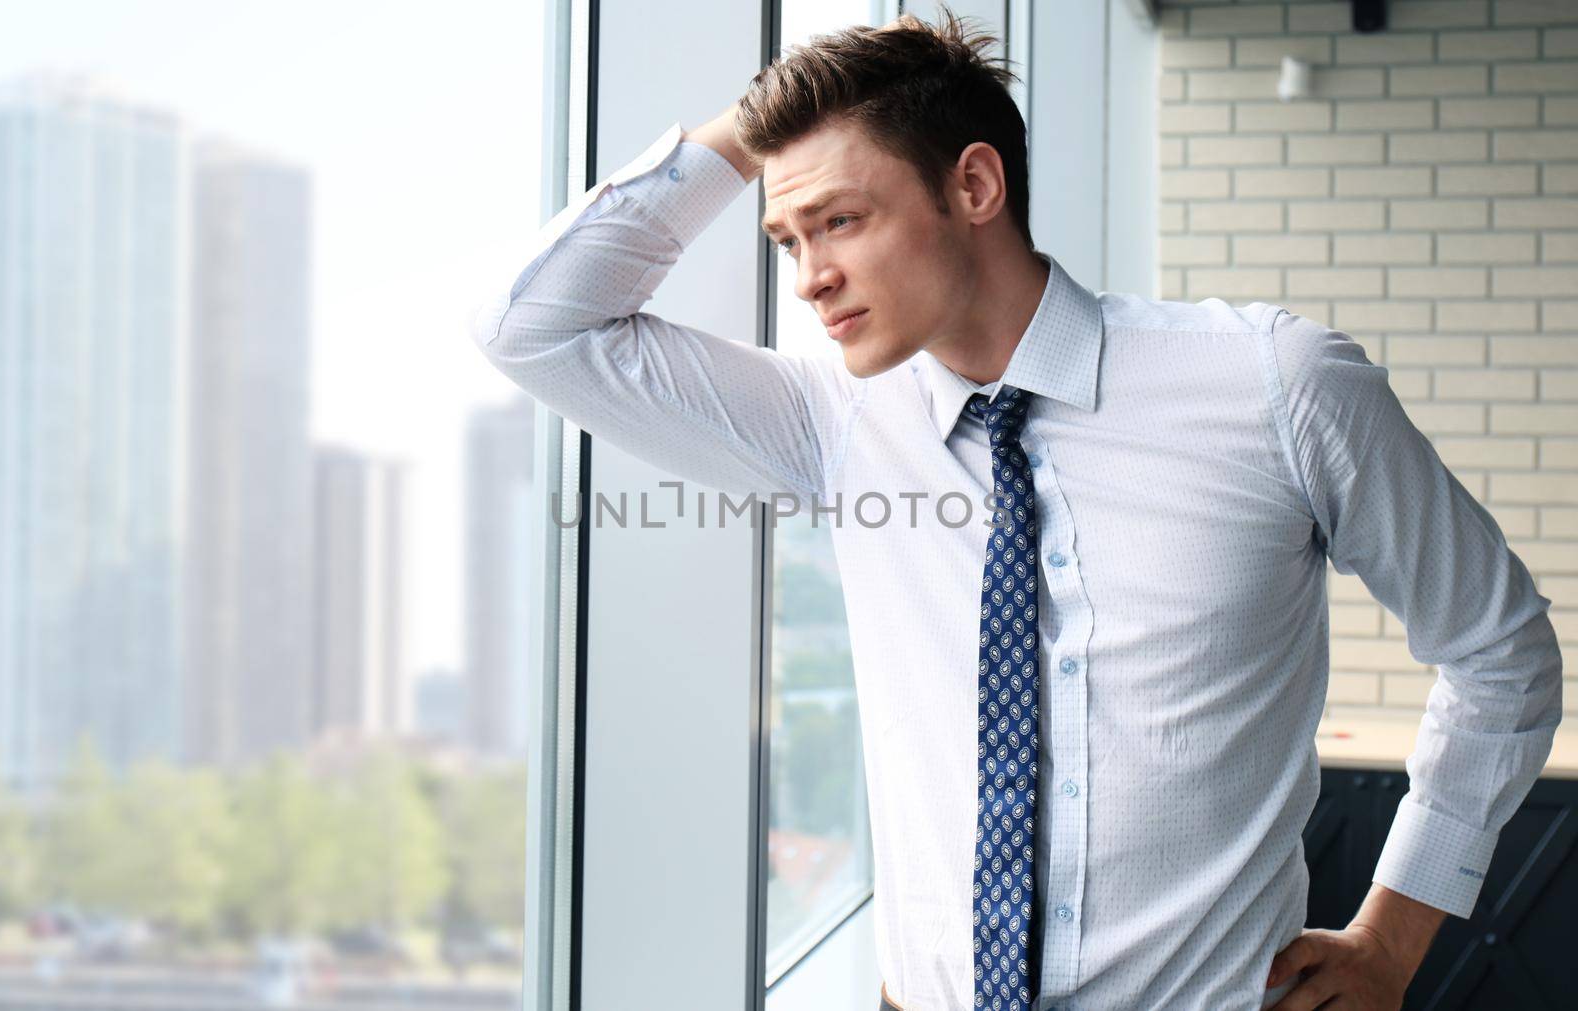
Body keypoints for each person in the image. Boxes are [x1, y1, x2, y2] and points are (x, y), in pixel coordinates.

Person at [468, 8, 1563, 1010]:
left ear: (975, 188)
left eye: (839, 220)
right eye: (788, 241)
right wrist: (756, 128)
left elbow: (1499, 652)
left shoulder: (1276, 386)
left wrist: (1395, 934)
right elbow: (536, 327)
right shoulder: (833, 423)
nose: (808, 277)